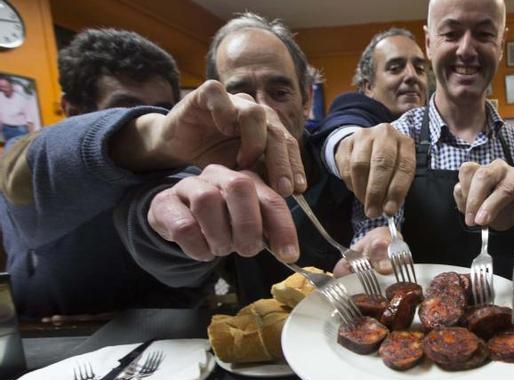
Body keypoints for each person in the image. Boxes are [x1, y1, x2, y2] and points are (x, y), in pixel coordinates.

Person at [116, 13, 354, 305]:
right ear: (212, 106)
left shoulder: (341, 164)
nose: (260, 110)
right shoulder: (204, 177)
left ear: (305, 99)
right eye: (240, 94)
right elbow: (176, 268)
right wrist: (170, 228)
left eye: (279, 92)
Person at [333, 0, 514, 278]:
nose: (466, 49)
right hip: (422, 319)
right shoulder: (394, 140)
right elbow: (372, 229)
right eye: (451, 34)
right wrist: (376, 244)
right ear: (429, 43)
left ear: (501, 44)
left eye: (484, 34)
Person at [0, 28, 187, 320]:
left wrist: (132, 318)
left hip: (154, 345)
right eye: (125, 111)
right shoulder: (28, 167)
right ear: (72, 110)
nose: (149, 124)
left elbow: (195, 278)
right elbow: (25, 164)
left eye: (160, 112)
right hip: (39, 341)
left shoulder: (178, 176)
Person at [310, 27, 429, 273]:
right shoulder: (358, 111)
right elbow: (342, 125)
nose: (411, 76)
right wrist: (348, 144)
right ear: (368, 87)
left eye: (420, 68)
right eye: (395, 68)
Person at [0, 75, 37, 143]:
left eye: (6, 87)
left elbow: (29, 119)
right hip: (6, 129)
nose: (4, 89)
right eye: (1, 87)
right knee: (9, 151)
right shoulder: (1, 97)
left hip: (20, 130)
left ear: (11, 86)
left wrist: (32, 137)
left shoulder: (22, 98)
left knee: (19, 151)